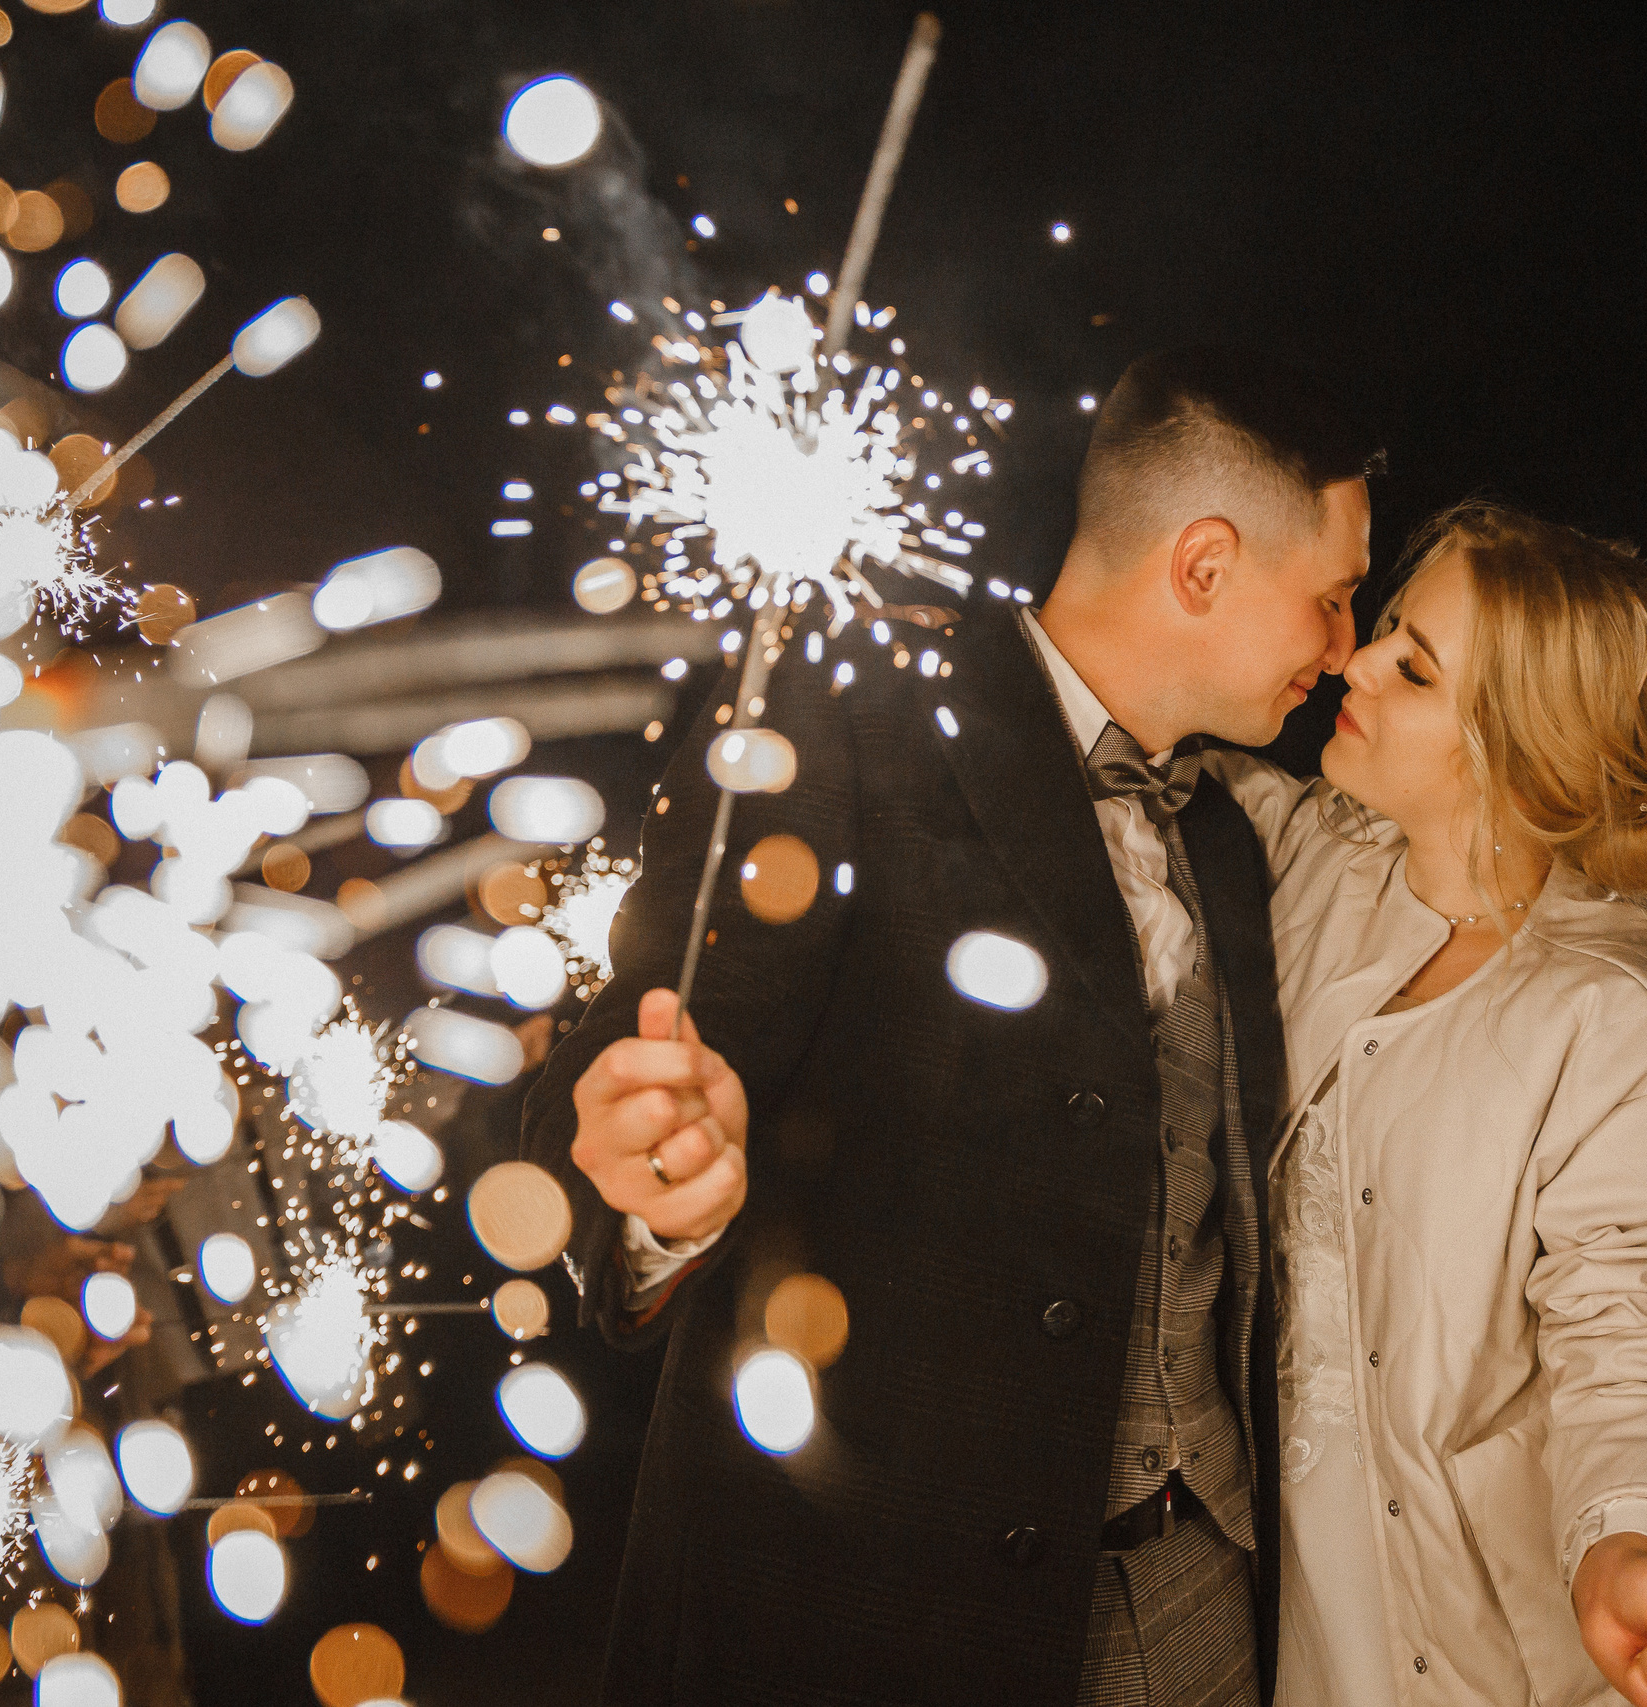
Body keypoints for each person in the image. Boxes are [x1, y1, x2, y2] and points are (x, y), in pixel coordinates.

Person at [526, 346, 1373, 1705]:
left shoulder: (1235, 830)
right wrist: (652, 1181)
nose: (1344, 647)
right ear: (1205, 565)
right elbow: (647, 1033)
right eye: (1330, 598)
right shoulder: (849, 717)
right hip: (870, 1625)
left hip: (1208, 1603)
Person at [1210, 501, 1647, 1707]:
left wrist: (1628, 1545)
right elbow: (1146, 755)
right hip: (1299, 1630)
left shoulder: (1638, 1039)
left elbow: (1642, 1349)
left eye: (1412, 667)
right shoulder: (1309, 867)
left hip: (1521, 1662)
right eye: (1388, 629)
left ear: (1522, 747)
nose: (1354, 660)